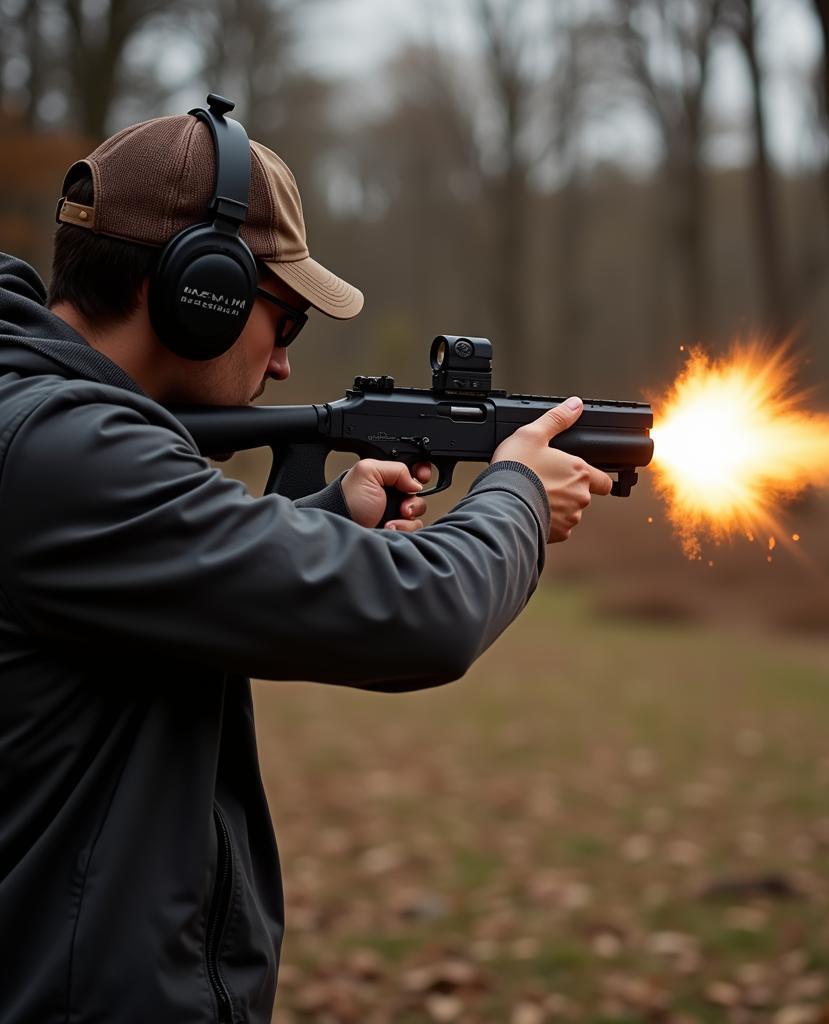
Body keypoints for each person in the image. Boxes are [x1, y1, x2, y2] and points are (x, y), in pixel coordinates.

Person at [0, 97, 611, 1024]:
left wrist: (331, 512)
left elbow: (173, 593)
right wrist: (519, 496)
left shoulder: (43, 429)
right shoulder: (68, 452)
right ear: (196, 289)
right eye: (283, 322)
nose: (284, 365)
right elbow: (425, 618)